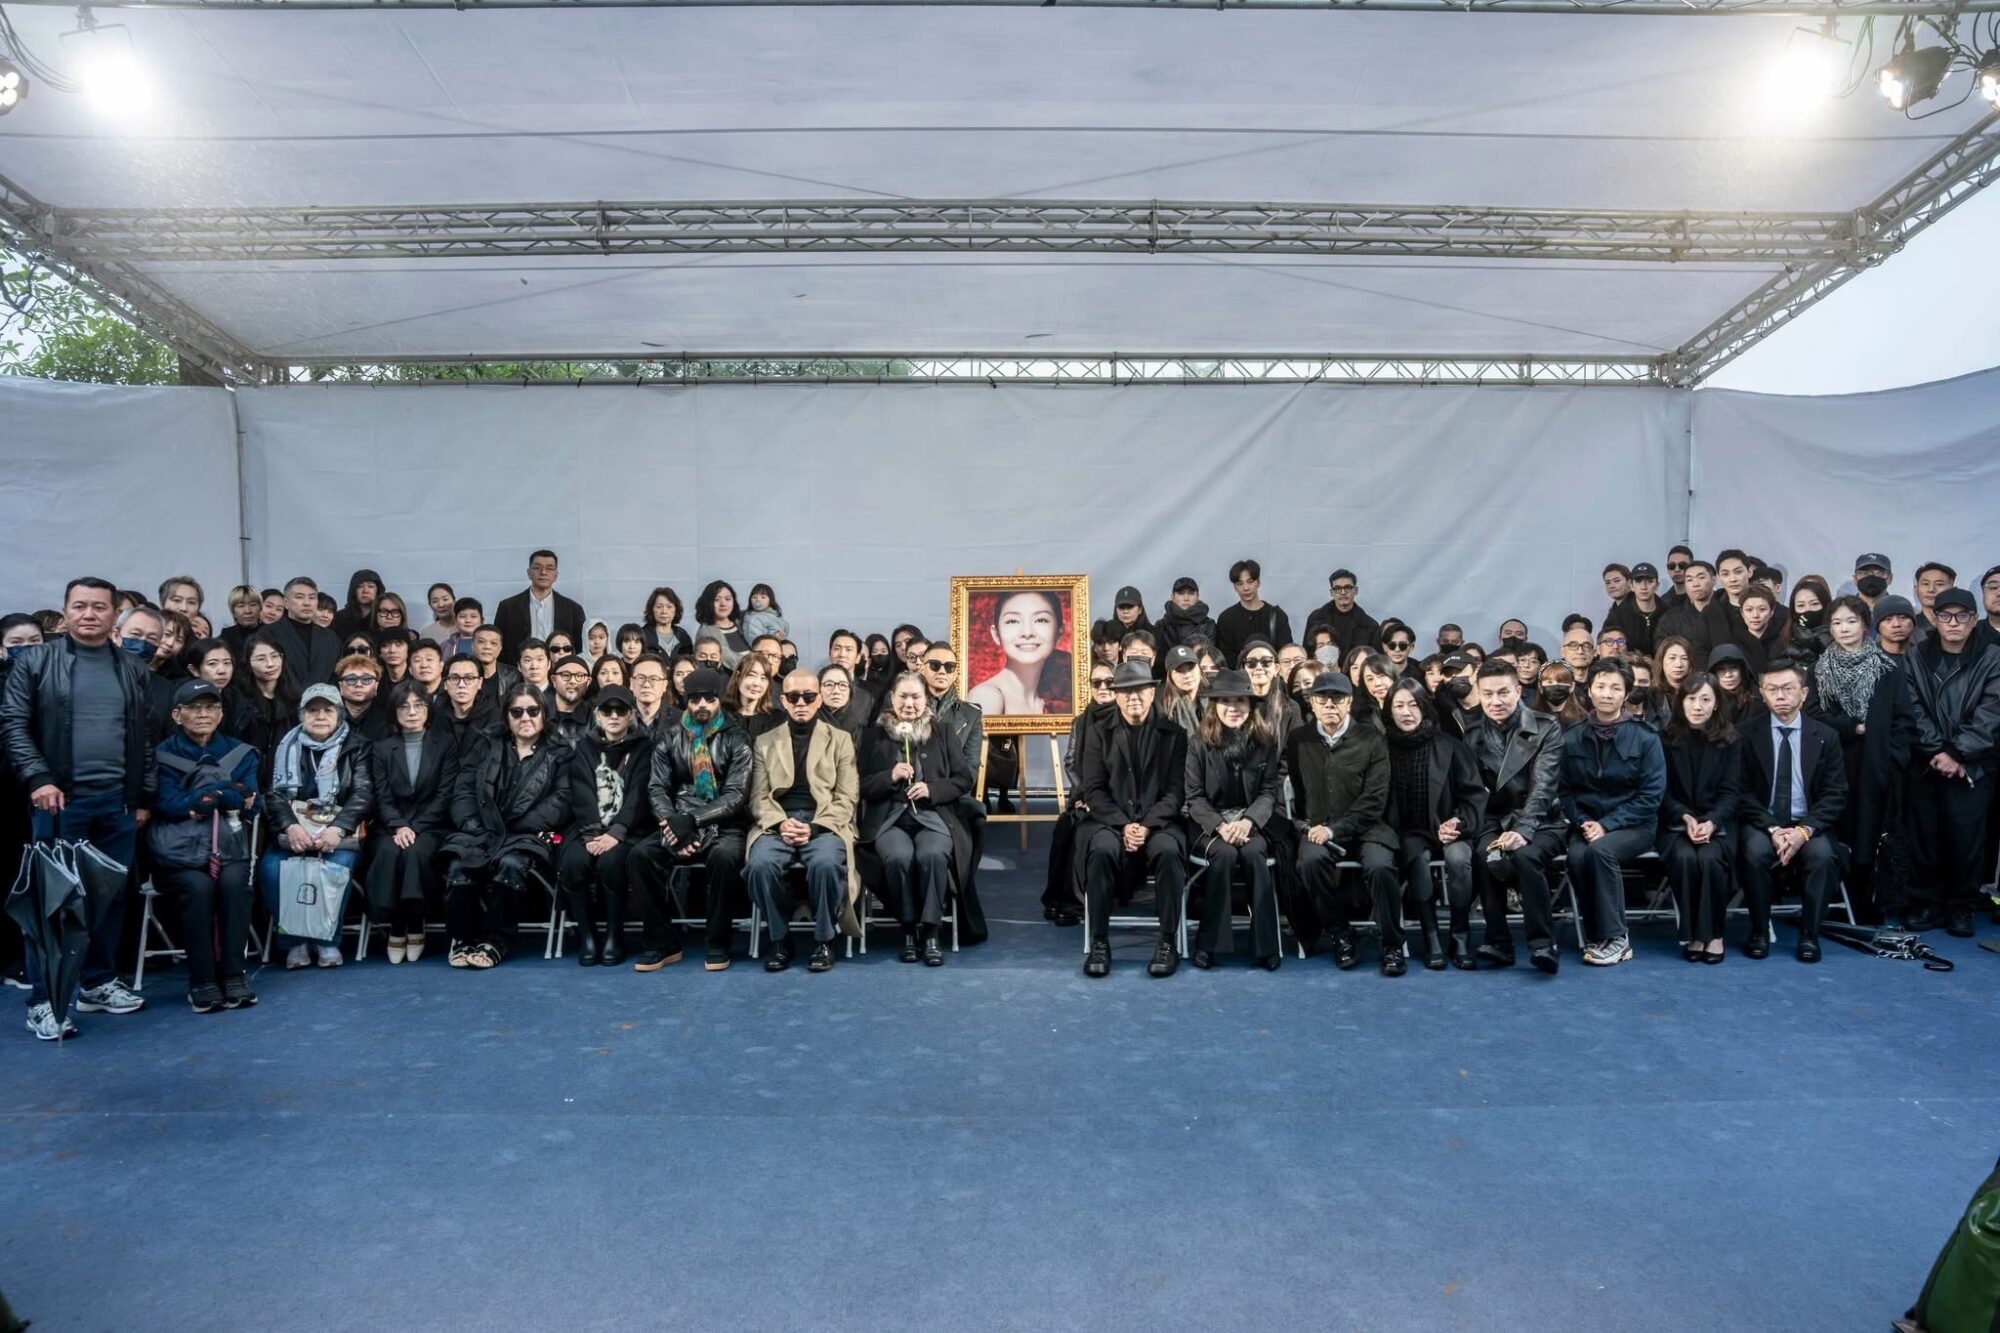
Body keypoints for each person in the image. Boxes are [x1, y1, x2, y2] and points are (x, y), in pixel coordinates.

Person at [2, 577, 156, 1040]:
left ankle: (97, 983)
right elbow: (12, 724)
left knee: (109, 899)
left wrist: (141, 796)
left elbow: (144, 737)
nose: (89, 614)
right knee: (53, 905)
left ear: (114, 615)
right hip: (59, 803)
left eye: (99, 607)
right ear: (66, 611)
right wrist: (39, 778)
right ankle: (45, 1001)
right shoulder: (35, 661)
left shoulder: (133, 667)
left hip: (118, 803)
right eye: (80, 606)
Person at [626, 665, 752, 972]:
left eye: (709, 698)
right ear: (687, 702)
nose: (702, 705)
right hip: (677, 822)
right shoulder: (670, 737)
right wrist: (674, 826)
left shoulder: (738, 738)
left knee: (724, 858)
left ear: (719, 700)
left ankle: (717, 943)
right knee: (640, 856)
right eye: (695, 699)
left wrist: (691, 822)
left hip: (723, 825)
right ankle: (661, 943)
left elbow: (735, 795)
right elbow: (656, 788)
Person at [442, 683, 573, 969]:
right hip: (480, 830)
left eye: (533, 711)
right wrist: (471, 824)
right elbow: (463, 790)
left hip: (527, 835)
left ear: (544, 713)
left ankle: (495, 940)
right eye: (517, 712)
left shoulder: (560, 751)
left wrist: (519, 827)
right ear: (506, 716)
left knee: (510, 865)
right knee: (459, 868)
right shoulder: (485, 744)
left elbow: (561, 800)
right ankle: (463, 939)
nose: (525, 718)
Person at [149, 679, 260, 1013]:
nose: (203, 714)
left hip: (229, 850)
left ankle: (234, 975)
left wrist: (203, 799)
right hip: (178, 855)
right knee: (197, 888)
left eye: (211, 707)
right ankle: (202, 980)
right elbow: (166, 804)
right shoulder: (162, 755)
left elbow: (252, 802)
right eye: (194, 708)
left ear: (221, 713)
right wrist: (223, 792)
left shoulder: (241, 752)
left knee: (234, 884)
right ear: (177, 715)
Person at [1074, 661, 1189, 979]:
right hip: (1111, 821)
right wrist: (1124, 825)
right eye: (1125, 691)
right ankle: (1099, 941)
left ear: (1152, 692)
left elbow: (1176, 792)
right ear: (1116, 695)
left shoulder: (1175, 734)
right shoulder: (1098, 732)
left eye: (1139, 689)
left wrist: (1147, 825)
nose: (1132, 697)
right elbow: (1094, 790)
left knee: (1168, 851)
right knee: (1101, 850)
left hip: (1159, 822)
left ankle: (1167, 941)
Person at [744, 670, 861, 973]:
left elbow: (847, 797)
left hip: (824, 822)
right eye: (793, 697)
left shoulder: (841, 740)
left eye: (808, 697)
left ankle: (825, 939)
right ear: (783, 700)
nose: (801, 703)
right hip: (777, 823)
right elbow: (758, 797)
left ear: (819, 699)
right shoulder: (765, 742)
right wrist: (780, 824)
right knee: (760, 866)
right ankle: (780, 939)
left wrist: (814, 827)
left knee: (826, 864)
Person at [1811, 596, 1916, 925]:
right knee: (1835, 831)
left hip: (1875, 764)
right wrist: (1853, 727)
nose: (1844, 629)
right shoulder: (1819, 669)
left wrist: (1892, 759)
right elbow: (1813, 715)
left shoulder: (1888, 669)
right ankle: (1830, 903)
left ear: (1865, 626)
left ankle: (1866, 905)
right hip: (1834, 762)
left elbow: (1904, 720)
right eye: (1837, 623)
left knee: (1870, 835)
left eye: (1851, 621)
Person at [1289, 670, 1403, 975]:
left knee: (1380, 866)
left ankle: (1391, 944)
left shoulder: (1372, 738)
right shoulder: (1298, 739)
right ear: (1312, 703)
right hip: (1319, 827)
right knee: (1309, 862)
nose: (1330, 704)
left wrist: (1333, 830)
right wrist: (1314, 827)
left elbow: (1375, 799)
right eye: (1322, 698)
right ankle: (1340, 933)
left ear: (1350, 702)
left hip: (1369, 827)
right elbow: (1299, 791)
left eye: (1337, 698)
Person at [858, 672, 975, 966]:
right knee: (898, 858)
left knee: (932, 855)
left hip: (933, 817)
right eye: (903, 696)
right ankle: (908, 928)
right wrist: (890, 776)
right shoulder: (873, 736)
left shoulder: (943, 732)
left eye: (916, 697)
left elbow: (964, 779)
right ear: (892, 698)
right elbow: (861, 785)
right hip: (890, 820)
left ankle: (932, 931)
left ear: (926, 700)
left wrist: (932, 789)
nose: (909, 704)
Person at [1903, 587, 2000, 938]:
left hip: (1971, 764)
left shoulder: (1992, 656)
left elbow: (1992, 712)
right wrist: (1937, 751)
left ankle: (1961, 905)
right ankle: (1926, 902)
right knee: (1924, 836)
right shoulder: (1916, 655)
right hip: (1927, 762)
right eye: (1946, 615)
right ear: (1934, 618)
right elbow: (1911, 707)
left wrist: (1958, 752)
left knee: (1967, 839)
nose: (1954, 622)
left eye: (1962, 616)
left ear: (1974, 620)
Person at [1736, 659, 1848, 961]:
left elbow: (1835, 794)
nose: (1780, 696)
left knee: (1822, 856)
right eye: (1772, 689)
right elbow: (1740, 791)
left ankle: (1809, 935)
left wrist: (1803, 831)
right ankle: (1759, 931)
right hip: (1763, 822)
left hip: (1808, 822)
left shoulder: (1826, 736)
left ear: (1804, 693)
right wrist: (1773, 829)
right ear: (1762, 694)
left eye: (1788, 688)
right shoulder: (1746, 734)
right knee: (1754, 853)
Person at [1560, 657, 1665, 967]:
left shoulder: (1646, 737)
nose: (1607, 693)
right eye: (1601, 686)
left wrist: (1607, 824)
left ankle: (1617, 938)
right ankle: (1597, 935)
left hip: (1635, 826)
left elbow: (1651, 796)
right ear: (1589, 690)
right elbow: (1564, 791)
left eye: (1616, 688)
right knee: (1578, 856)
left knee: (1601, 851)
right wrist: (1584, 821)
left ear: (1626, 693)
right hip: (1587, 823)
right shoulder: (1572, 737)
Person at [261, 684, 374, 971]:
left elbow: (362, 794)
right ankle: (295, 941)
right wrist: (290, 827)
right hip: (295, 831)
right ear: (302, 715)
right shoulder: (286, 745)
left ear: (339, 715)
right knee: (272, 869)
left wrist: (338, 828)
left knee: (336, 868)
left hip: (337, 833)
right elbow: (273, 794)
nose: (320, 716)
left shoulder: (357, 746)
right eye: (313, 710)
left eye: (327, 710)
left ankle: (327, 940)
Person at [1465, 659, 1565, 973]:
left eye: (1503, 692)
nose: (1495, 701)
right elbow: (1473, 791)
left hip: (1543, 820)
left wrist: (1523, 830)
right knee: (1485, 853)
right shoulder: (1472, 734)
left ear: (1518, 691)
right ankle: (1498, 941)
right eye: (1488, 694)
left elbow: (1543, 787)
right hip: (1495, 819)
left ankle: (1543, 944)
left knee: (1525, 857)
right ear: (1479, 695)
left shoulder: (1546, 727)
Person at [1183, 669, 1286, 970]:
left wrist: (1249, 822)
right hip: (1210, 824)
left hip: (1250, 822)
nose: (1233, 707)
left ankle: (1266, 946)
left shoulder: (1265, 741)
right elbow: (1194, 797)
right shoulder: (1198, 743)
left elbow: (1268, 792)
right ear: (1214, 706)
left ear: (1250, 705)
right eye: (1225, 701)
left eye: (1240, 700)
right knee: (1224, 855)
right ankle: (1209, 944)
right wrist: (1220, 826)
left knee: (1255, 853)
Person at [1382, 680, 1485, 972]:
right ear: (1389, 711)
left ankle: (1460, 935)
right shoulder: (1381, 748)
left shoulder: (1449, 746)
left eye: (1413, 705)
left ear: (1424, 708)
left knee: (1459, 859)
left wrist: (1458, 822)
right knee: (1416, 857)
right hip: (1409, 832)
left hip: (1451, 829)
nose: (1406, 712)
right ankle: (1431, 937)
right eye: (1399, 706)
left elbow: (1473, 794)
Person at [557, 685, 654, 967]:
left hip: (629, 829)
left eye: (620, 710)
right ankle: (587, 937)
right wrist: (591, 833)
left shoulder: (644, 747)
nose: (613, 716)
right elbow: (581, 791)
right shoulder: (584, 747)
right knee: (573, 862)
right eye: (607, 710)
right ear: (598, 714)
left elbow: (639, 795)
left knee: (611, 863)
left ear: (631, 714)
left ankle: (614, 935)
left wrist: (616, 832)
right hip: (588, 828)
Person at [366, 681, 458, 964]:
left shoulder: (445, 743)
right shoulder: (382, 748)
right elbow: (381, 795)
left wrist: (415, 827)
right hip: (391, 825)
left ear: (429, 709)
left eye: (419, 705)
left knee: (416, 852)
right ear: (394, 712)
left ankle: (415, 922)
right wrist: (399, 825)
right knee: (389, 851)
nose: (412, 711)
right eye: (404, 706)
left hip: (431, 825)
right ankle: (396, 924)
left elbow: (445, 794)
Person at [1657, 674, 1741, 963]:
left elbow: (1731, 792)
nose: (1697, 706)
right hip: (1676, 822)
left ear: (1716, 704)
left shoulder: (1731, 739)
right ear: (1681, 702)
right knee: (1685, 858)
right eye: (1691, 698)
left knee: (1710, 859)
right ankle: (1694, 934)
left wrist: (1712, 822)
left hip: (1718, 823)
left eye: (1705, 699)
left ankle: (1715, 935)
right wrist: (1684, 817)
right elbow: (1661, 790)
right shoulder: (1665, 738)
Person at [966, 589, 1073, 717]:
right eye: (1013, 621)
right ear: (996, 634)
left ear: (1060, 632)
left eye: (1041, 620)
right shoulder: (987, 696)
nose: (1027, 633)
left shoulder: (1056, 700)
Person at [495, 549, 585, 665]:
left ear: (556, 575)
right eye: (537, 568)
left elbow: (580, 648)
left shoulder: (573, 609)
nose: (543, 572)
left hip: (561, 671)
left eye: (549, 568)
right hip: (518, 671)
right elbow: (498, 645)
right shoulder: (508, 607)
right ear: (529, 573)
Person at [266, 576, 340, 694]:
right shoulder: (268, 634)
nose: (307, 603)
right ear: (286, 603)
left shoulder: (330, 638)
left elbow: (337, 673)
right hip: (281, 701)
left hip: (322, 702)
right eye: (299, 597)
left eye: (312, 597)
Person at [1215, 560, 1293, 668]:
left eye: (1250, 581)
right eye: (1240, 584)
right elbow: (1225, 659)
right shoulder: (1227, 619)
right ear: (1235, 587)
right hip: (1239, 677)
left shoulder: (1277, 616)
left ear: (1258, 582)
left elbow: (1286, 653)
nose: (1246, 588)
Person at [1656, 560, 1734, 662]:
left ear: (1714, 580)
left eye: (1701, 577)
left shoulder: (1729, 611)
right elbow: (1662, 650)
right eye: (1689, 580)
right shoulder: (1671, 619)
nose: (1695, 584)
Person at [1302, 569, 1378, 661]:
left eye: (1347, 588)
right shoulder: (1315, 619)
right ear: (1332, 593)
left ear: (1356, 591)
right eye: (1337, 588)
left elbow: (1375, 661)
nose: (1343, 592)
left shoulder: (1370, 625)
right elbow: (1307, 655)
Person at [433, 655, 501, 749]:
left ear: (480, 682)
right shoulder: (435, 717)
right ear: (445, 683)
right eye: (454, 678)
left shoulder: (495, 718)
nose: (461, 685)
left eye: (469, 678)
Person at [334, 652, 391, 743]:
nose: (359, 684)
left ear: (376, 686)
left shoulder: (388, 721)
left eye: (366, 679)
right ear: (341, 687)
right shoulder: (330, 718)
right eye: (351, 679)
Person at [694, 580, 751, 667]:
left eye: (727, 599)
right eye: (717, 600)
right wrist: (755, 663)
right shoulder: (706, 632)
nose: (723, 604)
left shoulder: (742, 622)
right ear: (708, 603)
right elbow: (727, 658)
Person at [723, 653, 781, 739]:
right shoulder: (720, 716)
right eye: (751, 675)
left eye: (763, 678)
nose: (757, 683)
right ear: (738, 677)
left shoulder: (778, 719)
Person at [1155, 577, 1218, 650]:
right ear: (1172, 597)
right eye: (1181, 593)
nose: (1186, 598)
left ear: (1198, 597)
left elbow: (1209, 654)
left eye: (1191, 593)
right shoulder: (1161, 626)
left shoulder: (1208, 625)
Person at [547, 653, 595, 742]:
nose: (572, 681)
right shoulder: (539, 712)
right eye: (565, 675)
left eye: (579, 676)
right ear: (554, 680)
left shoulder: (595, 717)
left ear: (588, 682)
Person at [1156, 644, 1203, 735]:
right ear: (1170, 677)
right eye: (1180, 671)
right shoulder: (1163, 709)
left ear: (1200, 670)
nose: (1187, 675)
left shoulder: (1215, 701)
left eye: (1191, 668)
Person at [627, 653, 674, 738]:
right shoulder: (620, 718)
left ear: (665, 685)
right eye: (641, 678)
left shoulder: (680, 721)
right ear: (631, 683)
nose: (646, 685)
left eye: (654, 679)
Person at [641, 586, 694, 658]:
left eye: (669, 607)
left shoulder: (683, 636)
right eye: (659, 607)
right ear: (651, 609)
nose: (664, 611)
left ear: (676, 609)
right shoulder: (643, 635)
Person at [817, 663, 869, 737]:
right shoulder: (810, 720)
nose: (836, 691)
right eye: (829, 685)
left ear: (850, 691)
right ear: (818, 689)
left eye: (843, 685)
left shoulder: (858, 723)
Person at [331, 569, 383, 640]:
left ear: (378, 590)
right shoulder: (339, 618)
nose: (365, 591)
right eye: (360, 586)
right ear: (353, 590)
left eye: (370, 586)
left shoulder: (383, 618)